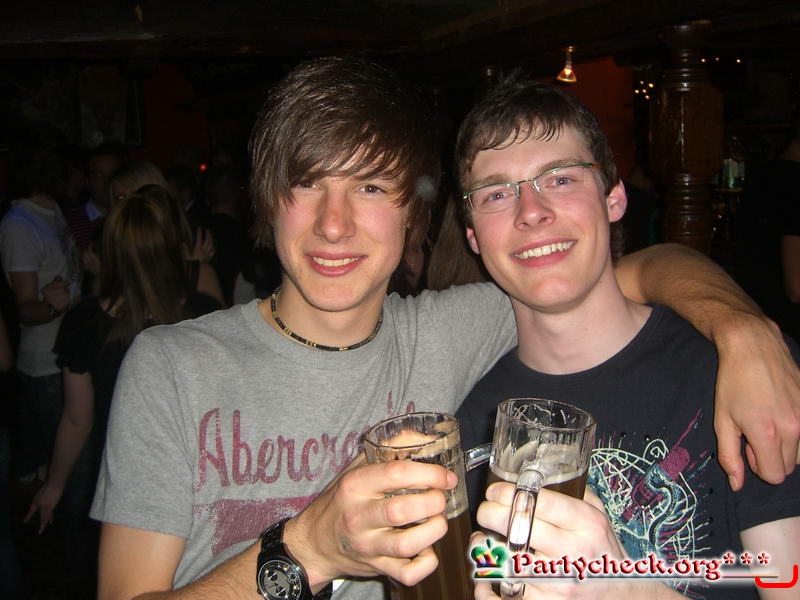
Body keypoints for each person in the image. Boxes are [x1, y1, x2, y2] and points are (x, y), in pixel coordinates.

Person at [90, 57, 800, 600]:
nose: (334, 225)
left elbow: (608, 270)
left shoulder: (457, 336)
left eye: (371, 187)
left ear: (415, 217)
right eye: (307, 184)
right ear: (269, 202)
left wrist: (742, 329)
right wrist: (309, 547)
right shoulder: (171, 365)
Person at [453, 75, 800, 598]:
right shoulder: (473, 426)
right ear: (474, 237)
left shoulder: (740, 376)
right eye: (497, 193)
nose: (532, 212)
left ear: (614, 198)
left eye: (561, 179)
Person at [24, 189, 222, 595]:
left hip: (124, 483)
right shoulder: (202, 312)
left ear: (111, 252)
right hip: (195, 479)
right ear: (171, 248)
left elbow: (78, 419)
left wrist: (55, 483)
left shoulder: (86, 322)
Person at [0, 128, 83, 484]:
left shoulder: (51, 210)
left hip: (65, 354)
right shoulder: (19, 224)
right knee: (68, 471)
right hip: (44, 365)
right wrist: (51, 308)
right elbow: (24, 307)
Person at [736, 119, 800, 341]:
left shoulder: (761, 174)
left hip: (755, 316)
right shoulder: (795, 183)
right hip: (789, 329)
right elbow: (797, 287)